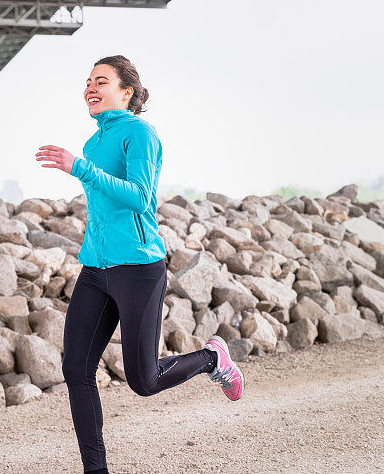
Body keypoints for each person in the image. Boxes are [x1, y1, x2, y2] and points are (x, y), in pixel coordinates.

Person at [35, 55, 245, 474]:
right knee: (76, 369)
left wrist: (80, 168)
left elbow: (140, 197)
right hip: (96, 270)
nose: (90, 88)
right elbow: (102, 206)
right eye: (87, 82)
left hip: (138, 268)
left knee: (143, 381)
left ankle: (211, 359)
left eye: (101, 81)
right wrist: (86, 170)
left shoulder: (139, 133)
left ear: (126, 92)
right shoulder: (95, 142)